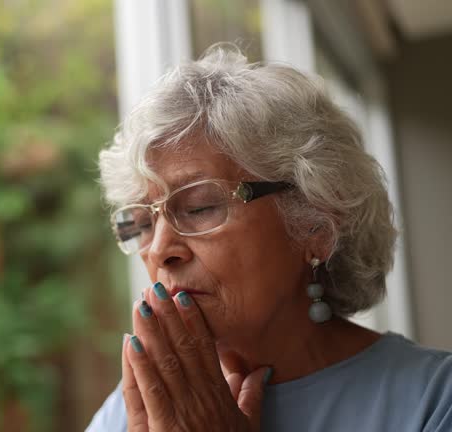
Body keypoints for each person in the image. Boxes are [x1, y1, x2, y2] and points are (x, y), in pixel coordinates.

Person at [86, 44, 452, 431]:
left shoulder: (434, 401)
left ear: (315, 223)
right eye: (143, 223)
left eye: (198, 207)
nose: (159, 249)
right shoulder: (134, 410)